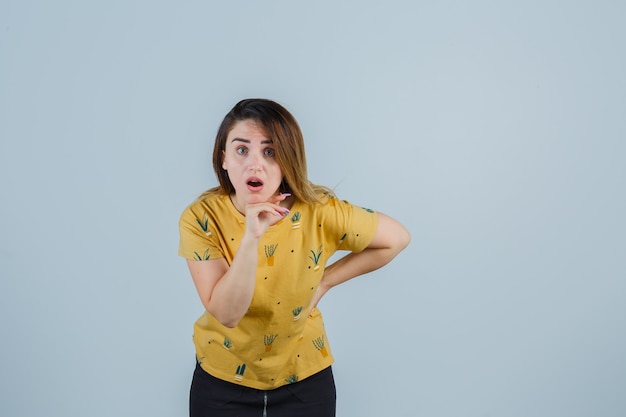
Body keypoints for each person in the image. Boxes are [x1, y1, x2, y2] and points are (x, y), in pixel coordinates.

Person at [178, 98, 410, 417]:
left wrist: (325, 281)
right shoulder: (201, 217)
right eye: (242, 150)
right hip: (221, 381)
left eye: (270, 151)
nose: (254, 165)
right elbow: (226, 313)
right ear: (224, 159)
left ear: (288, 160)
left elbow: (396, 238)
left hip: (304, 380)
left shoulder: (318, 211)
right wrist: (251, 237)